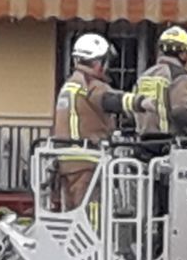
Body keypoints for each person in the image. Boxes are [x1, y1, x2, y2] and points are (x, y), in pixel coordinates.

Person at [51, 32, 150, 212]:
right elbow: (109, 99)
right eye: (106, 63)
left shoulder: (70, 84)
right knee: (92, 215)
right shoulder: (90, 84)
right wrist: (140, 102)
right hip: (87, 161)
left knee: (72, 213)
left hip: (66, 161)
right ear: (98, 63)